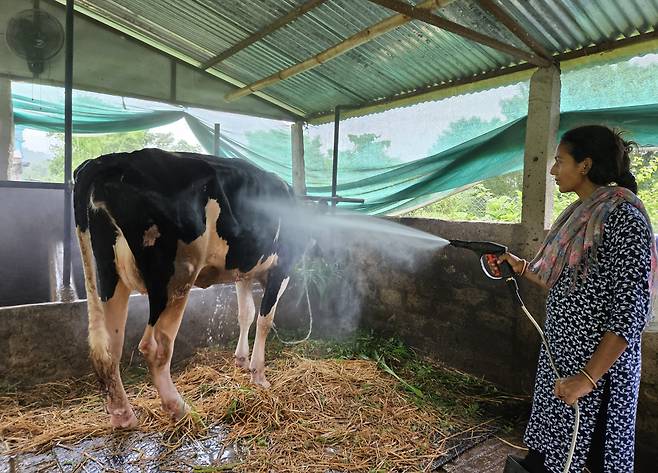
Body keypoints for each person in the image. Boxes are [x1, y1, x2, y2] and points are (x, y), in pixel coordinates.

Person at [496, 125, 657, 472]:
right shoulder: (578, 216)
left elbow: (630, 313)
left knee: (592, 460)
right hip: (563, 361)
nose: (553, 170)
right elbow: (561, 281)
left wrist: (587, 379)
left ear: (585, 165)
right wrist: (520, 266)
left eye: (559, 161)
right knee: (549, 453)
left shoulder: (623, 218)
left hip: (598, 377)